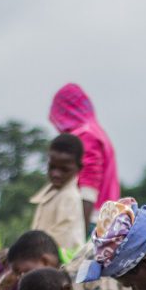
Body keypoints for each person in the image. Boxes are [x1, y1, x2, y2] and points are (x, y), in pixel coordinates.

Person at [49, 83, 120, 224]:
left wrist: (80, 232)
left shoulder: (86, 136)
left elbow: (89, 187)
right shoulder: (96, 131)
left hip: (92, 218)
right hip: (105, 215)